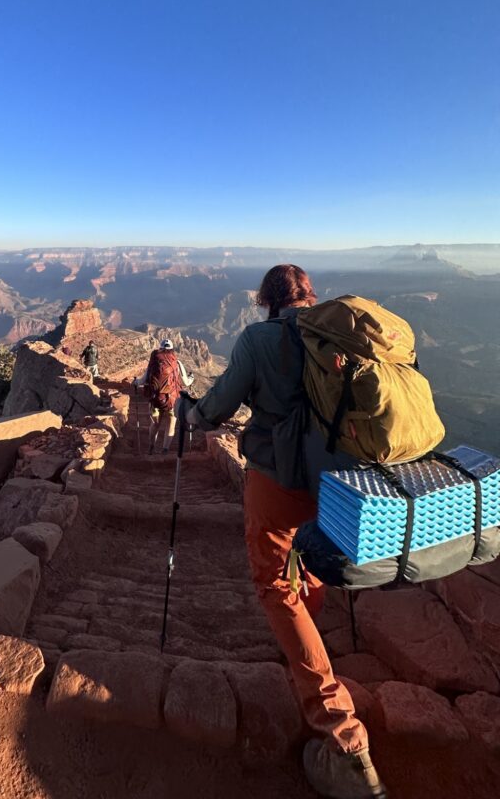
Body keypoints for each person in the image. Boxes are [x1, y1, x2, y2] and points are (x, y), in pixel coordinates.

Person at [176, 265, 386, 799]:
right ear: (308, 296)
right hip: (339, 481)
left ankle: (343, 739)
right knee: (308, 564)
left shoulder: (258, 338)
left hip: (276, 479)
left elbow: (218, 407)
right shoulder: (337, 333)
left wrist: (191, 410)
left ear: (265, 299)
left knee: (273, 585)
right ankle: (305, 646)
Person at [135, 339, 194, 454]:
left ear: (160, 348)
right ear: (172, 349)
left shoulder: (154, 361)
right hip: (172, 401)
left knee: (155, 424)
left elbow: (143, 380)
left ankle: (151, 447)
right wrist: (191, 378)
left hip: (155, 399)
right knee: (171, 424)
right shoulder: (176, 362)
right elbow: (186, 382)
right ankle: (165, 450)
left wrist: (136, 382)